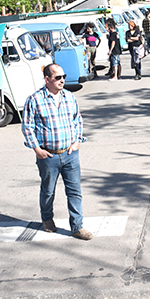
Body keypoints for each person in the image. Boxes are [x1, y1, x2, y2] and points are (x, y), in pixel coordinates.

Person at [21, 63, 92, 241]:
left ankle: (77, 226)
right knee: (48, 191)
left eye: (63, 77)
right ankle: (47, 218)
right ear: (47, 79)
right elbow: (28, 127)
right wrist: (37, 149)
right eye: (58, 78)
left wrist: (77, 141)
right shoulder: (35, 99)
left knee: (75, 191)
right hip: (48, 155)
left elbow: (77, 120)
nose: (62, 80)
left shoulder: (69, 97)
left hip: (70, 154)